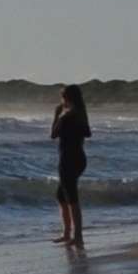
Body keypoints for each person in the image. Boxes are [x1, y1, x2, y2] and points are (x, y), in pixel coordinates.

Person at [48, 85, 91, 245]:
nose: (61, 101)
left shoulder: (70, 115)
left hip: (69, 159)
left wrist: (58, 116)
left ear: (67, 98)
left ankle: (77, 237)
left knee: (71, 197)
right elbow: (87, 133)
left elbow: (53, 134)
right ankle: (67, 233)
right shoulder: (79, 113)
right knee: (61, 196)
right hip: (77, 158)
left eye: (62, 98)